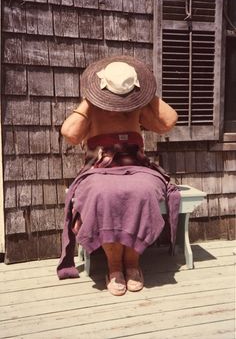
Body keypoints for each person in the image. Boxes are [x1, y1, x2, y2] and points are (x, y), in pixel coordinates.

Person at [57, 55, 180, 296]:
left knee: (143, 191)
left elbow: (168, 122)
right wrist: (90, 101)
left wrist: (145, 95)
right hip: (100, 171)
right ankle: (114, 268)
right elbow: (70, 134)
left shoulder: (136, 107)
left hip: (138, 167)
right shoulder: (91, 108)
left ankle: (133, 265)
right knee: (103, 194)